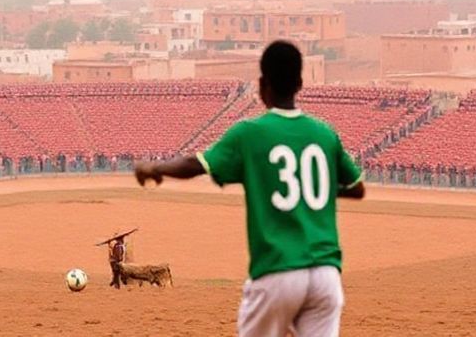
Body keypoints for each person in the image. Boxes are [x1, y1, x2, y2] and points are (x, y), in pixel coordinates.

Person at [134, 41, 365, 337]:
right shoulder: (325, 134)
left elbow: (197, 164)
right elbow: (357, 188)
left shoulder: (250, 133)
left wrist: (155, 168)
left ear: (261, 84)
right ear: (300, 83)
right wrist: (313, 188)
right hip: (326, 275)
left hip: (278, 270)